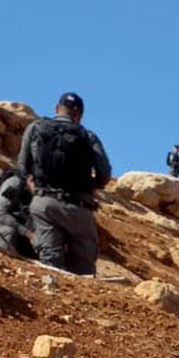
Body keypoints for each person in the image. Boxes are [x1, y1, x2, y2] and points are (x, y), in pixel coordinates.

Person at [18, 92, 110, 275]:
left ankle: (50, 293)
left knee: (50, 261)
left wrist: (33, 184)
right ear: (79, 115)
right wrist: (91, 185)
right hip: (77, 207)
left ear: (57, 108)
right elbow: (104, 173)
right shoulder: (87, 136)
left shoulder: (35, 128)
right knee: (83, 269)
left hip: (43, 203)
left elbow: (22, 166)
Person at [0, 167, 36, 258]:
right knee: (9, 233)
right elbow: (1, 214)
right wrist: (27, 233)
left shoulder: (33, 191)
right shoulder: (14, 184)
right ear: (30, 179)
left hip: (15, 228)